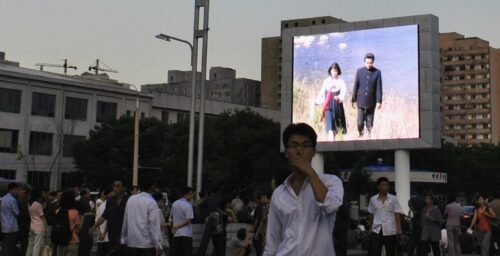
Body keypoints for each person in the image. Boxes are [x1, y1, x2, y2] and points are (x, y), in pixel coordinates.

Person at [264, 123, 344, 255]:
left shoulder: (331, 182)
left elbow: (330, 206)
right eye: (294, 145)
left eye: (305, 145)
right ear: (286, 153)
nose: (299, 150)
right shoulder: (279, 194)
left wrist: (310, 172)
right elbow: (272, 242)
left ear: (313, 152)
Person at [121, 178, 163, 256]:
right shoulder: (151, 202)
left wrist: (123, 238)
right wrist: (158, 244)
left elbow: (125, 220)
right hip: (147, 244)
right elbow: (154, 225)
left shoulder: (131, 199)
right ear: (152, 186)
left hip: (131, 242)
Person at [367, 177, 404, 256]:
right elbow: (371, 214)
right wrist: (370, 228)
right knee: (375, 252)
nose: (386, 187)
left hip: (390, 229)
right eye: (383, 185)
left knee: (390, 252)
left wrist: (399, 229)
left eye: (387, 185)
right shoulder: (373, 199)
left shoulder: (393, 199)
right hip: (377, 229)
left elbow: (397, 214)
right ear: (378, 187)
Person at [92, 179, 129, 256]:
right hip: (112, 234)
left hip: (126, 235)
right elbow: (104, 216)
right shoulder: (110, 201)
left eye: (118, 186)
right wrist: (94, 226)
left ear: (124, 188)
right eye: (114, 186)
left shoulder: (129, 200)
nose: (115, 188)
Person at [351, 53, 383, 138]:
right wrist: (353, 100)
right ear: (364, 62)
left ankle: (369, 137)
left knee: (370, 123)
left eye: (370, 63)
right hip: (361, 101)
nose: (369, 64)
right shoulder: (359, 71)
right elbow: (356, 85)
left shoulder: (377, 72)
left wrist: (379, 101)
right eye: (367, 62)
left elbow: (379, 88)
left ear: (373, 62)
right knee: (359, 122)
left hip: (371, 102)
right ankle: (360, 135)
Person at [316, 62, 347, 140]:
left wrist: (339, 97)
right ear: (330, 71)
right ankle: (331, 142)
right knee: (330, 129)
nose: (334, 73)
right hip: (328, 106)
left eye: (336, 71)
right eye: (333, 71)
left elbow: (343, 91)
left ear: (338, 71)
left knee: (337, 128)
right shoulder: (326, 81)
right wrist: (318, 100)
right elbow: (322, 92)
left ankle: (335, 144)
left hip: (337, 106)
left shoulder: (341, 81)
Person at [171, 187, 195, 256]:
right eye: (191, 194)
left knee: (177, 253)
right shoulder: (188, 205)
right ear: (185, 194)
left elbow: (172, 217)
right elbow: (188, 219)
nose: (192, 196)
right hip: (186, 233)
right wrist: (177, 226)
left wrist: (174, 227)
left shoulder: (174, 203)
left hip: (176, 233)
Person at [56, 190, 81, 256]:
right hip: (72, 240)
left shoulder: (58, 211)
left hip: (61, 241)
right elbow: (78, 228)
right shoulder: (75, 212)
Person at [26, 189, 49, 256]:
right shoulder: (38, 205)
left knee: (30, 245)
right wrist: (46, 228)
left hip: (32, 225)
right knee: (37, 246)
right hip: (39, 227)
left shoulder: (29, 204)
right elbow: (42, 217)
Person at [1, 182, 20, 256]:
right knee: (10, 248)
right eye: (16, 189)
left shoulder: (3, 199)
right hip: (12, 227)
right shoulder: (12, 200)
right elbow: (17, 213)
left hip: (4, 227)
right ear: (11, 190)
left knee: (5, 247)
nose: (17, 191)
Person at [95, 188, 112, 256]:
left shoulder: (100, 206)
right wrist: (103, 233)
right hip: (109, 238)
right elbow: (110, 221)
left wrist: (99, 233)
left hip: (101, 238)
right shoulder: (112, 206)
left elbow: (96, 221)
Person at [252, 191, 268, 255]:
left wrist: (253, 230)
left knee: (259, 249)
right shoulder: (263, 206)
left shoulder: (260, 206)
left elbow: (258, 220)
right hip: (262, 231)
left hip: (260, 231)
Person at [18, 185, 31, 256]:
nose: (19, 192)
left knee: (24, 242)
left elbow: (26, 214)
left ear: (24, 192)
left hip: (23, 224)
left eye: (20, 191)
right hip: (24, 224)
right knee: (24, 242)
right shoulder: (25, 201)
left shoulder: (23, 201)